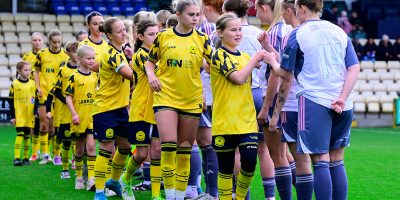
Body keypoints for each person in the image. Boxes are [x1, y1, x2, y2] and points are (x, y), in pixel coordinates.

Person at [263, 0, 360, 199]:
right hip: (344, 102)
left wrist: (272, 61)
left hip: (315, 101)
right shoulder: (339, 31)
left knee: (320, 159)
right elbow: (354, 67)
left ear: (303, 8)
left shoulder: (297, 33)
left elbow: (285, 73)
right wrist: (342, 97)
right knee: (337, 160)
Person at [145, 0, 212, 199]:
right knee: (168, 143)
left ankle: (180, 195)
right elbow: (150, 62)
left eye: (197, 14)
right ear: (179, 15)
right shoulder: (163, 37)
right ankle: (170, 195)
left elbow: (211, 65)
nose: (195, 18)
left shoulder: (202, 38)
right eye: (191, 14)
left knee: (184, 147)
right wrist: (152, 76)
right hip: (166, 96)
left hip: (191, 99)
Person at [210, 12, 267, 200]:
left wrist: (267, 48)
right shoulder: (218, 55)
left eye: (240, 29)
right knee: (225, 169)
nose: (238, 33)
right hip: (225, 121)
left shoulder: (244, 56)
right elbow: (239, 78)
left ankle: (240, 197)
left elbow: (274, 64)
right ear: (220, 33)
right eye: (233, 30)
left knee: (250, 163)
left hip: (246, 120)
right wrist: (255, 58)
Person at [224, 0, 276, 199]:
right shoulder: (259, 34)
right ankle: (270, 196)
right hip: (260, 92)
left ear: (229, 12)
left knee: (236, 148)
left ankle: (242, 194)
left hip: (237, 95)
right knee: (264, 149)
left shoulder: (222, 33)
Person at [117, 19, 162, 200]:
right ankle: (125, 179)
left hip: (159, 108)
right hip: (142, 109)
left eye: (157, 34)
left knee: (157, 151)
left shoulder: (158, 53)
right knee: (142, 153)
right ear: (140, 36)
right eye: (151, 34)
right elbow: (160, 71)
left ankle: (156, 195)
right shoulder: (143, 54)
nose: (155, 37)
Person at [92, 17, 135, 200]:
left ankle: (114, 181)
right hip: (105, 108)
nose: (123, 33)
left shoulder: (120, 53)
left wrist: (131, 57)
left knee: (125, 147)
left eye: (124, 30)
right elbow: (131, 75)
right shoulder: (111, 54)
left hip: (120, 108)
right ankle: (100, 191)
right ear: (109, 35)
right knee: (106, 148)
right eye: (119, 31)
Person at [65, 45, 98, 191]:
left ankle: (91, 179)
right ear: (79, 59)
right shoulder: (74, 77)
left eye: (93, 58)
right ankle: (79, 177)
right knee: (79, 149)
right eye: (88, 58)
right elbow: (68, 97)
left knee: (91, 147)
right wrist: (74, 114)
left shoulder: (95, 76)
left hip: (91, 118)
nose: (92, 61)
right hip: (79, 118)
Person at [34, 29, 69, 165]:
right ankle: (45, 154)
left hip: (58, 96)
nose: (56, 44)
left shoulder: (65, 56)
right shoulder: (42, 54)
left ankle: (56, 155)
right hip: (44, 93)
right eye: (54, 42)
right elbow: (36, 71)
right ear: (49, 42)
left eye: (59, 42)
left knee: (56, 127)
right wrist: (37, 86)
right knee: (44, 125)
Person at [47, 41, 79, 178]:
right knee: (66, 141)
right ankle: (65, 169)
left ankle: (79, 169)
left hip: (82, 111)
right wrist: (68, 100)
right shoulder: (63, 70)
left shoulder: (86, 70)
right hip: (66, 112)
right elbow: (56, 90)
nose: (77, 55)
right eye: (74, 52)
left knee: (79, 142)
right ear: (68, 53)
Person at [22, 32, 44, 162]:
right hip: (31, 94)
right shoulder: (26, 57)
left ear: (42, 41)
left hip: (44, 93)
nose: (37, 42)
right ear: (31, 42)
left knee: (46, 123)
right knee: (32, 124)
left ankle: (46, 151)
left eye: (39, 40)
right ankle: (35, 152)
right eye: (34, 40)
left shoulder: (45, 56)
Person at [9, 61, 36, 166]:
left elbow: (36, 99)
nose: (28, 72)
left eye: (29, 70)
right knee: (20, 134)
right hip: (19, 115)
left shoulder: (32, 83)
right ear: (19, 71)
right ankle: (16, 158)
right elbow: (11, 101)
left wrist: (35, 110)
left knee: (27, 136)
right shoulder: (15, 84)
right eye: (25, 70)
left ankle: (25, 157)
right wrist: (12, 116)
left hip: (29, 115)